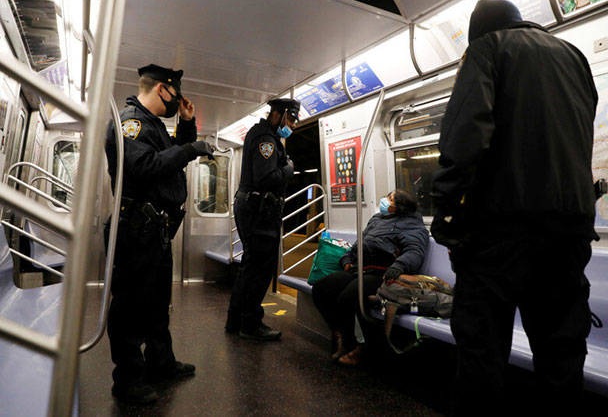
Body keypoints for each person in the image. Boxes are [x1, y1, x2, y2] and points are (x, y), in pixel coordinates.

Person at [430, 1, 599, 415]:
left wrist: (447, 216)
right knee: (561, 358)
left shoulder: (488, 50)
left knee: (481, 358)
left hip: (500, 237)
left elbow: (465, 138)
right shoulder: (574, 56)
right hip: (569, 234)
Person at [104, 63, 214, 404]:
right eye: (175, 94)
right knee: (131, 305)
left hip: (155, 229)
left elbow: (171, 155)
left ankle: (160, 363)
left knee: (155, 303)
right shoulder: (131, 122)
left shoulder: (152, 124)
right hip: (136, 229)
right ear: (161, 89)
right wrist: (190, 149)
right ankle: (127, 380)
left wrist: (185, 125)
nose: (176, 99)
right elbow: (145, 166)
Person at [312, 190, 430, 365]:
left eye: (390, 199)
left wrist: (398, 266)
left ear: (400, 206)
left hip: (382, 274)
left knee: (348, 297)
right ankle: (340, 332)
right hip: (359, 269)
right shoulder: (377, 219)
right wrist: (347, 258)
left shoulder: (412, 225)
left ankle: (360, 348)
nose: (385, 200)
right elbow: (360, 243)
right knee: (321, 289)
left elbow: (414, 251)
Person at [225, 98, 299, 341]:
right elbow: (267, 178)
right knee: (259, 270)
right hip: (259, 211)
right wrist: (288, 168)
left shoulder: (262, 135)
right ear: (278, 115)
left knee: (249, 266)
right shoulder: (266, 139)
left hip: (253, 208)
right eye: (291, 119)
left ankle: (235, 320)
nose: (294, 125)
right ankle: (250, 324)